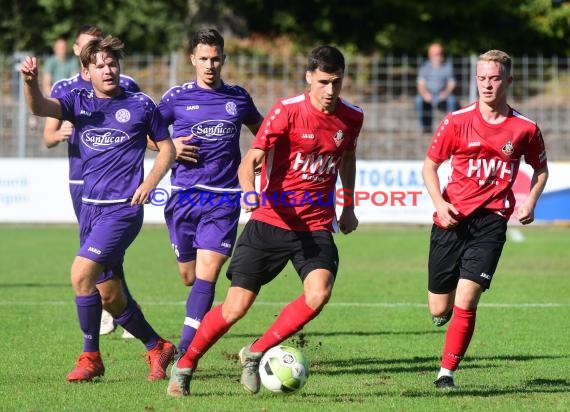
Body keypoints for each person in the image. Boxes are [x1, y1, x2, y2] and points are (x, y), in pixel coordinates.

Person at [166, 45, 364, 397]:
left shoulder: (352, 117)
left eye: (336, 82)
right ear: (309, 78)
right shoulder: (286, 112)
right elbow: (251, 159)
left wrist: (347, 207)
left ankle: (255, 352)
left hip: (315, 225)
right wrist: (248, 190)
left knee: (318, 294)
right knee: (235, 308)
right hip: (270, 222)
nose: (330, 91)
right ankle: (185, 366)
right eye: (323, 82)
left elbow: (347, 157)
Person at [20, 35, 177, 382]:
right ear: (86, 71)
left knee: (80, 274)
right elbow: (39, 108)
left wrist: (150, 182)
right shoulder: (78, 100)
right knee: (108, 294)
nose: (108, 70)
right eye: (100, 65)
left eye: (112, 63)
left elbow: (166, 148)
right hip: (89, 209)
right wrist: (29, 83)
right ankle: (158, 346)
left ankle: (91, 357)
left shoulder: (141, 104)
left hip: (122, 210)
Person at [422, 49, 548, 389]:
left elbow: (540, 169)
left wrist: (530, 201)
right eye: (481, 79)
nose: (487, 85)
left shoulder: (524, 128)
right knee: (438, 307)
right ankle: (442, 315)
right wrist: (440, 203)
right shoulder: (456, 121)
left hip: (491, 222)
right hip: (451, 219)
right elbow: (430, 166)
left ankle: (445, 374)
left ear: (508, 80)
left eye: (494, 78)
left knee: (467, 298)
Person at [157, 28, 263, 357]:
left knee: (209, 272)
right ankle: (188, 341)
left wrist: (257, 159)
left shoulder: (238, 98)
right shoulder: (176, 98)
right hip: (183, 197)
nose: (209, 65)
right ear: (192, 59)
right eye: (203, 58)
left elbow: (262, 133)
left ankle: (185, 354)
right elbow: (148, 135)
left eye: (215, 59)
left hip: (223, 197)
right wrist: (170, 146)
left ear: (223, 60)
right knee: (189, 276)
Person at [43, 24, 141, 339]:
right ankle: (117, 311)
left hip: (118, 183)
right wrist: (60, 133)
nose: (95, 53)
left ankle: (117, 311)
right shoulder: (65, 88)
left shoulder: (125, 84)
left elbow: (141, 128)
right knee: (93, 250)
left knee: (106, 251)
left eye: (98, 47)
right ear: (77, 52)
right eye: (87, 48)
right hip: (80, 180)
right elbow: (48, 138)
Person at [414, 42, 459, 133]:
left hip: (443, 94)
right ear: (430, 55)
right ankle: (426, 128)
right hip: (428, 94)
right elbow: (420, 84)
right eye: (436, 54)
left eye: (440, 53)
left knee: (452, 100)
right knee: (418, 100)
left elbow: (452, 83)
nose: (439, 56)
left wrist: (446, 93)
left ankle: (451, 128)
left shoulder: (447, 67)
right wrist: (425, 94)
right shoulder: (425, 67)